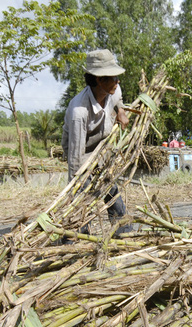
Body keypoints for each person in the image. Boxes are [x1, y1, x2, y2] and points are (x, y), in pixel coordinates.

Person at [61, 49, 132, 235]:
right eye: (113, 78)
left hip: (101, 151)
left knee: (110, 188)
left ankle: (123, 231)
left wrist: (121, 111)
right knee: (82, 196)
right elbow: (75, 157)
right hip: (82, 154)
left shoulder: (113, 91)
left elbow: (119, 98)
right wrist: (74, 188)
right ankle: (77, 235)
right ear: (99, 79)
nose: (118, 82)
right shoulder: (79, 111)